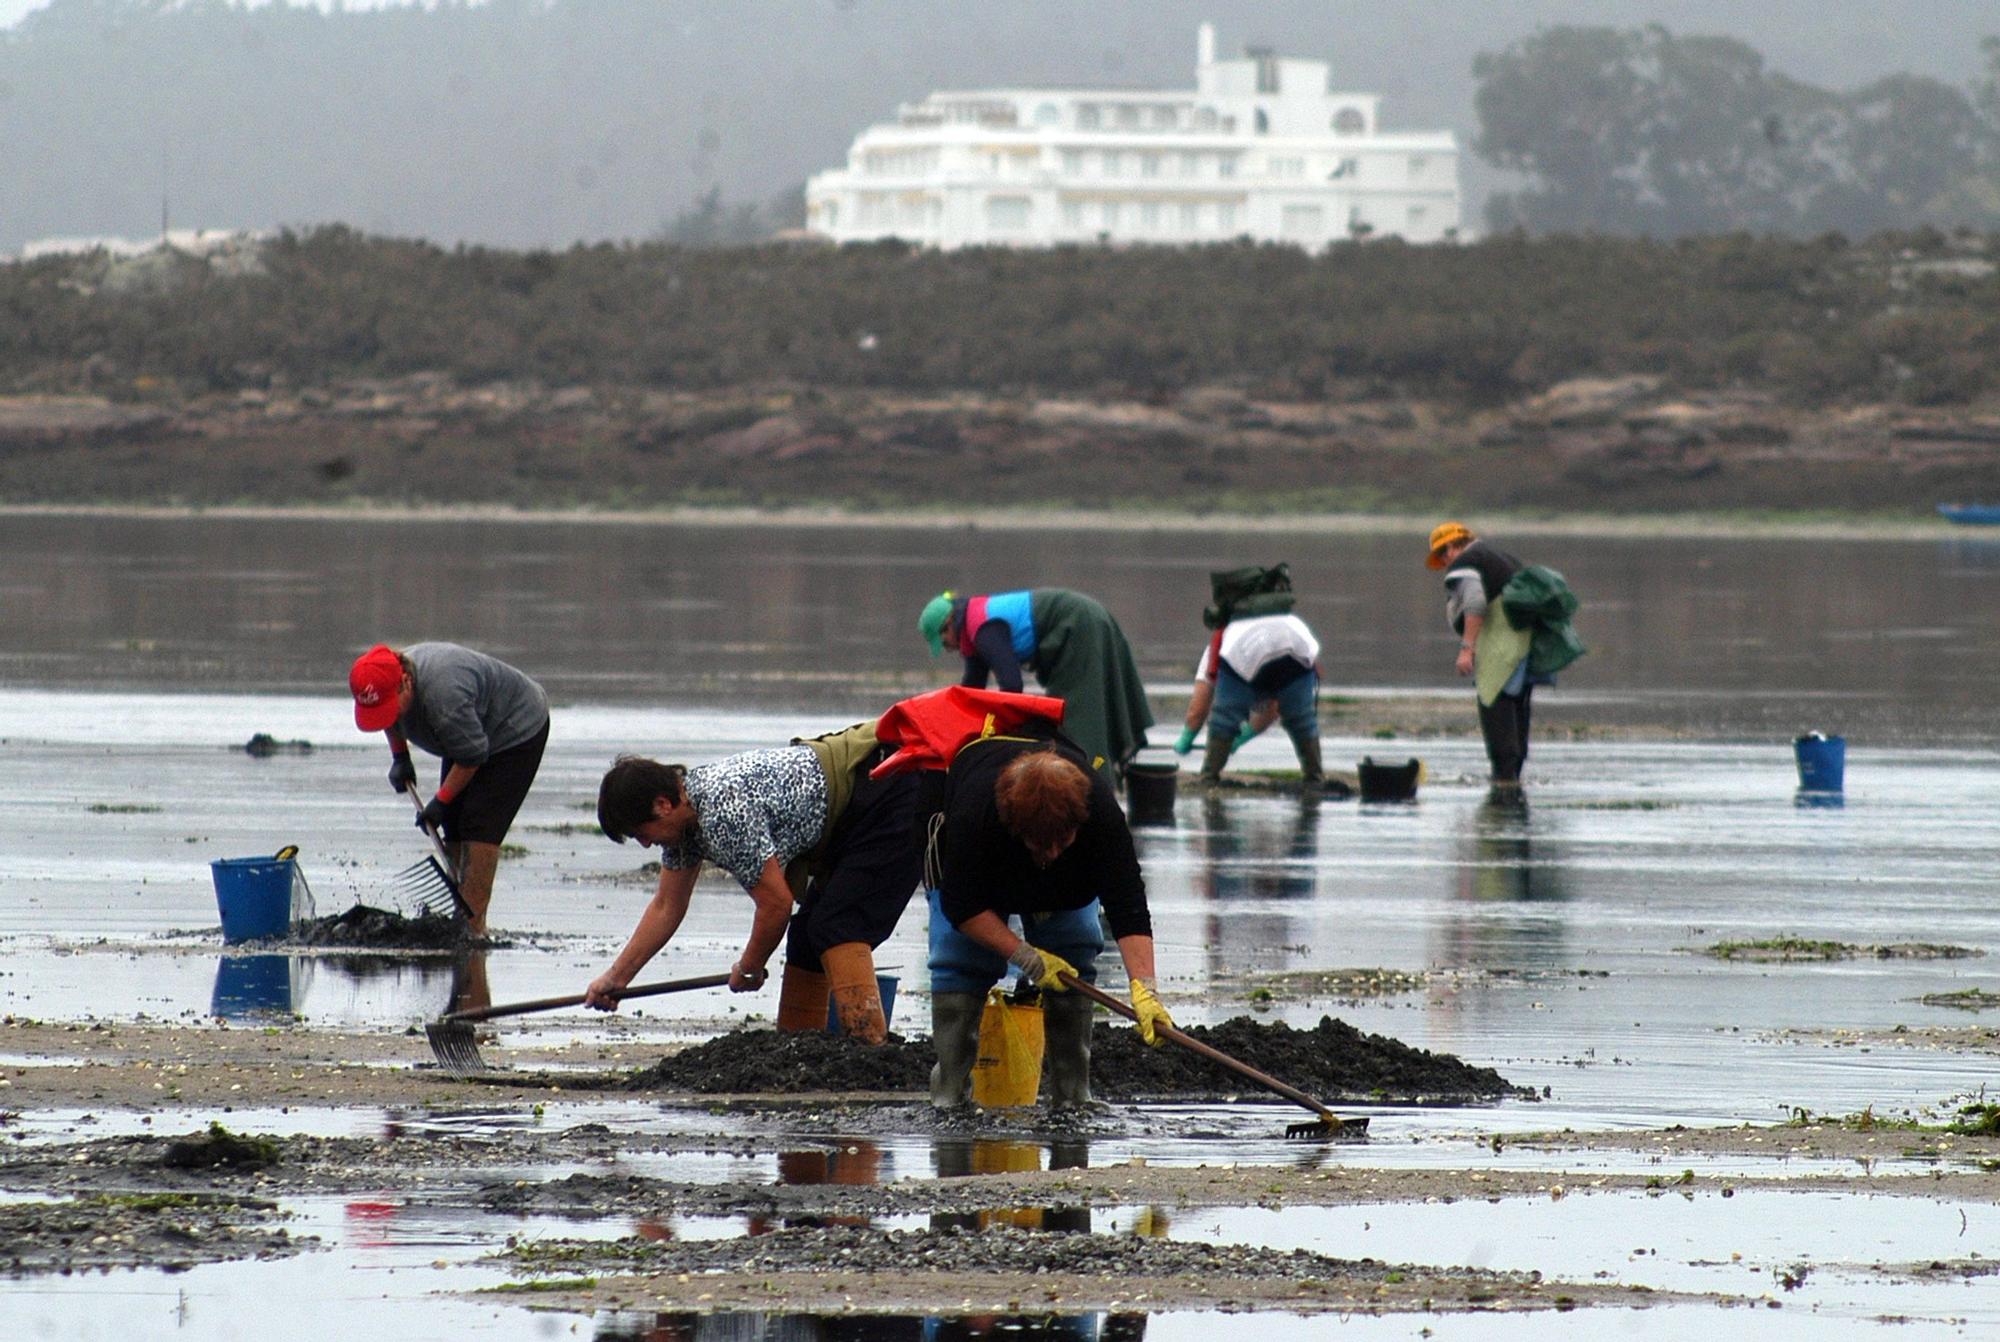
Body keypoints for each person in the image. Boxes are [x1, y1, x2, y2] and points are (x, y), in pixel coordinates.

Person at [876, 686, 1170, 1110]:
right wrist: (1026, 957)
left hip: (1064, 885)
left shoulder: (1100, 811)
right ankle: (950, 1096)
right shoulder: (976, 815)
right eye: (1039, 845)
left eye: (1061, 843)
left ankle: (1073, 1097)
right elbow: (962, 906)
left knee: (1074, 944)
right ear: (1015, 827)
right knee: (961, 959)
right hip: (972, 854)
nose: (1050, 854)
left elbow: (1127, 903)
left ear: (1079, 823)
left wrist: (1146, 989)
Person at [589, 720, 921, 1044]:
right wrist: (615, 979)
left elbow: (776, 904)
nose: (646, 845)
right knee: (807, 937)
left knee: (839, 925)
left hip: (893, 787)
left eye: (640, 834)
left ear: (662, 805)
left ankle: (869, 1047)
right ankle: (798, 1048)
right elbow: (666, 907)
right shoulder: (684, 824)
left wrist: (750, 966)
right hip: (857, 809)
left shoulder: (720, 813)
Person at [348, 642, 549, 938]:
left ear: (406, 682)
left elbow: (473, 755)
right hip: (470, 729)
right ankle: (458, 913)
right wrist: (400, 756)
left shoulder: (444, 699)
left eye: (388, 704)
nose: (384, 715)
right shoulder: (386, 681)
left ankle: (472, 927)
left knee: (479, 824)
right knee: (454, 825)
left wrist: (440, 800)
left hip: (515, 729)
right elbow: (388, 717)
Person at [916, 587, 1153, 774]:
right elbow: (970, 691)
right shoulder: (972, 626)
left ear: (948, 625)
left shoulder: (984, 628)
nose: (948, 649)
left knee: (1075, 715)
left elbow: (1011, 684)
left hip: (1077, 622)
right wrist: (947, 729)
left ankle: (1093, 779)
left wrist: (1005, 734)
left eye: (945, 643)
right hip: (1078, 619)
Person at [1427, 522, 1576, 785]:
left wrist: (1467, 648)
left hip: (1501, 643)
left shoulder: (1466, 562)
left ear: (1450, 547)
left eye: (1442, 555)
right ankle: (1512, 779)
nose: (1443, 561)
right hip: (1525, 643)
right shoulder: (1500, 557)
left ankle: (1503, 779)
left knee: (1493, 703)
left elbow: (1475, 602)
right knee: (1518, 704)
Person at [1174, 608, 1324, 787]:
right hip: (1299, 645)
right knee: (1301, 719)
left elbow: (1197, 710)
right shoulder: (1284, 619)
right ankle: (1314, 778)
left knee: (1224, 719)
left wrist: (1186, 738)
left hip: (1247, 651)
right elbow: (1273, 709)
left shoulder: (1223, 644)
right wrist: (1241, 738)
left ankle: (1208, 778)